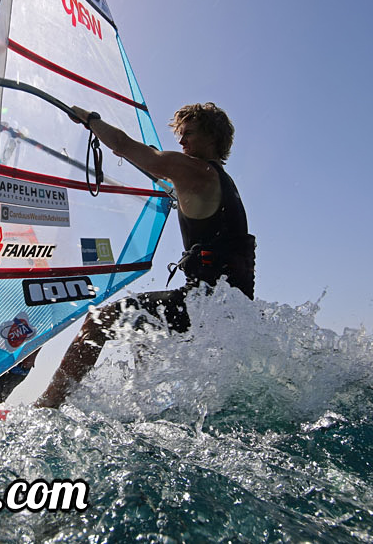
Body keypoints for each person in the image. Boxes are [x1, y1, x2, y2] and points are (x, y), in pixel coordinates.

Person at [33, 102, 256, 408]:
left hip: (201, 304)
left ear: (212, 136)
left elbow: (125, 145)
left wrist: (90, 119)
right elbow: (161, 172)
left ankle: (47, 406)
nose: (181, 142)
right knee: (142, 333)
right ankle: (143, 408)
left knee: (99, 321)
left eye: (188, 133)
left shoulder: (196, 171)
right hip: (228, 309)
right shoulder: (221, 181)